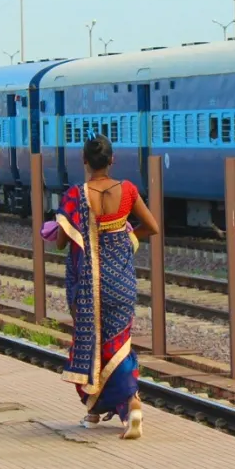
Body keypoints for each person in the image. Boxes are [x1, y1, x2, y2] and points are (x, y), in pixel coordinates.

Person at [50, 135, 159, 440]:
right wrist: (126, 236)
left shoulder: (75, 196)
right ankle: (120, 407)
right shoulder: (128, 190)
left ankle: (113, 405)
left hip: (88, 288)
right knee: (118, 346)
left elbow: (61, 243)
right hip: (121, 283)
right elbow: (152, 226)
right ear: (113, 161)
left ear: (84, 161)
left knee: (89, 348)